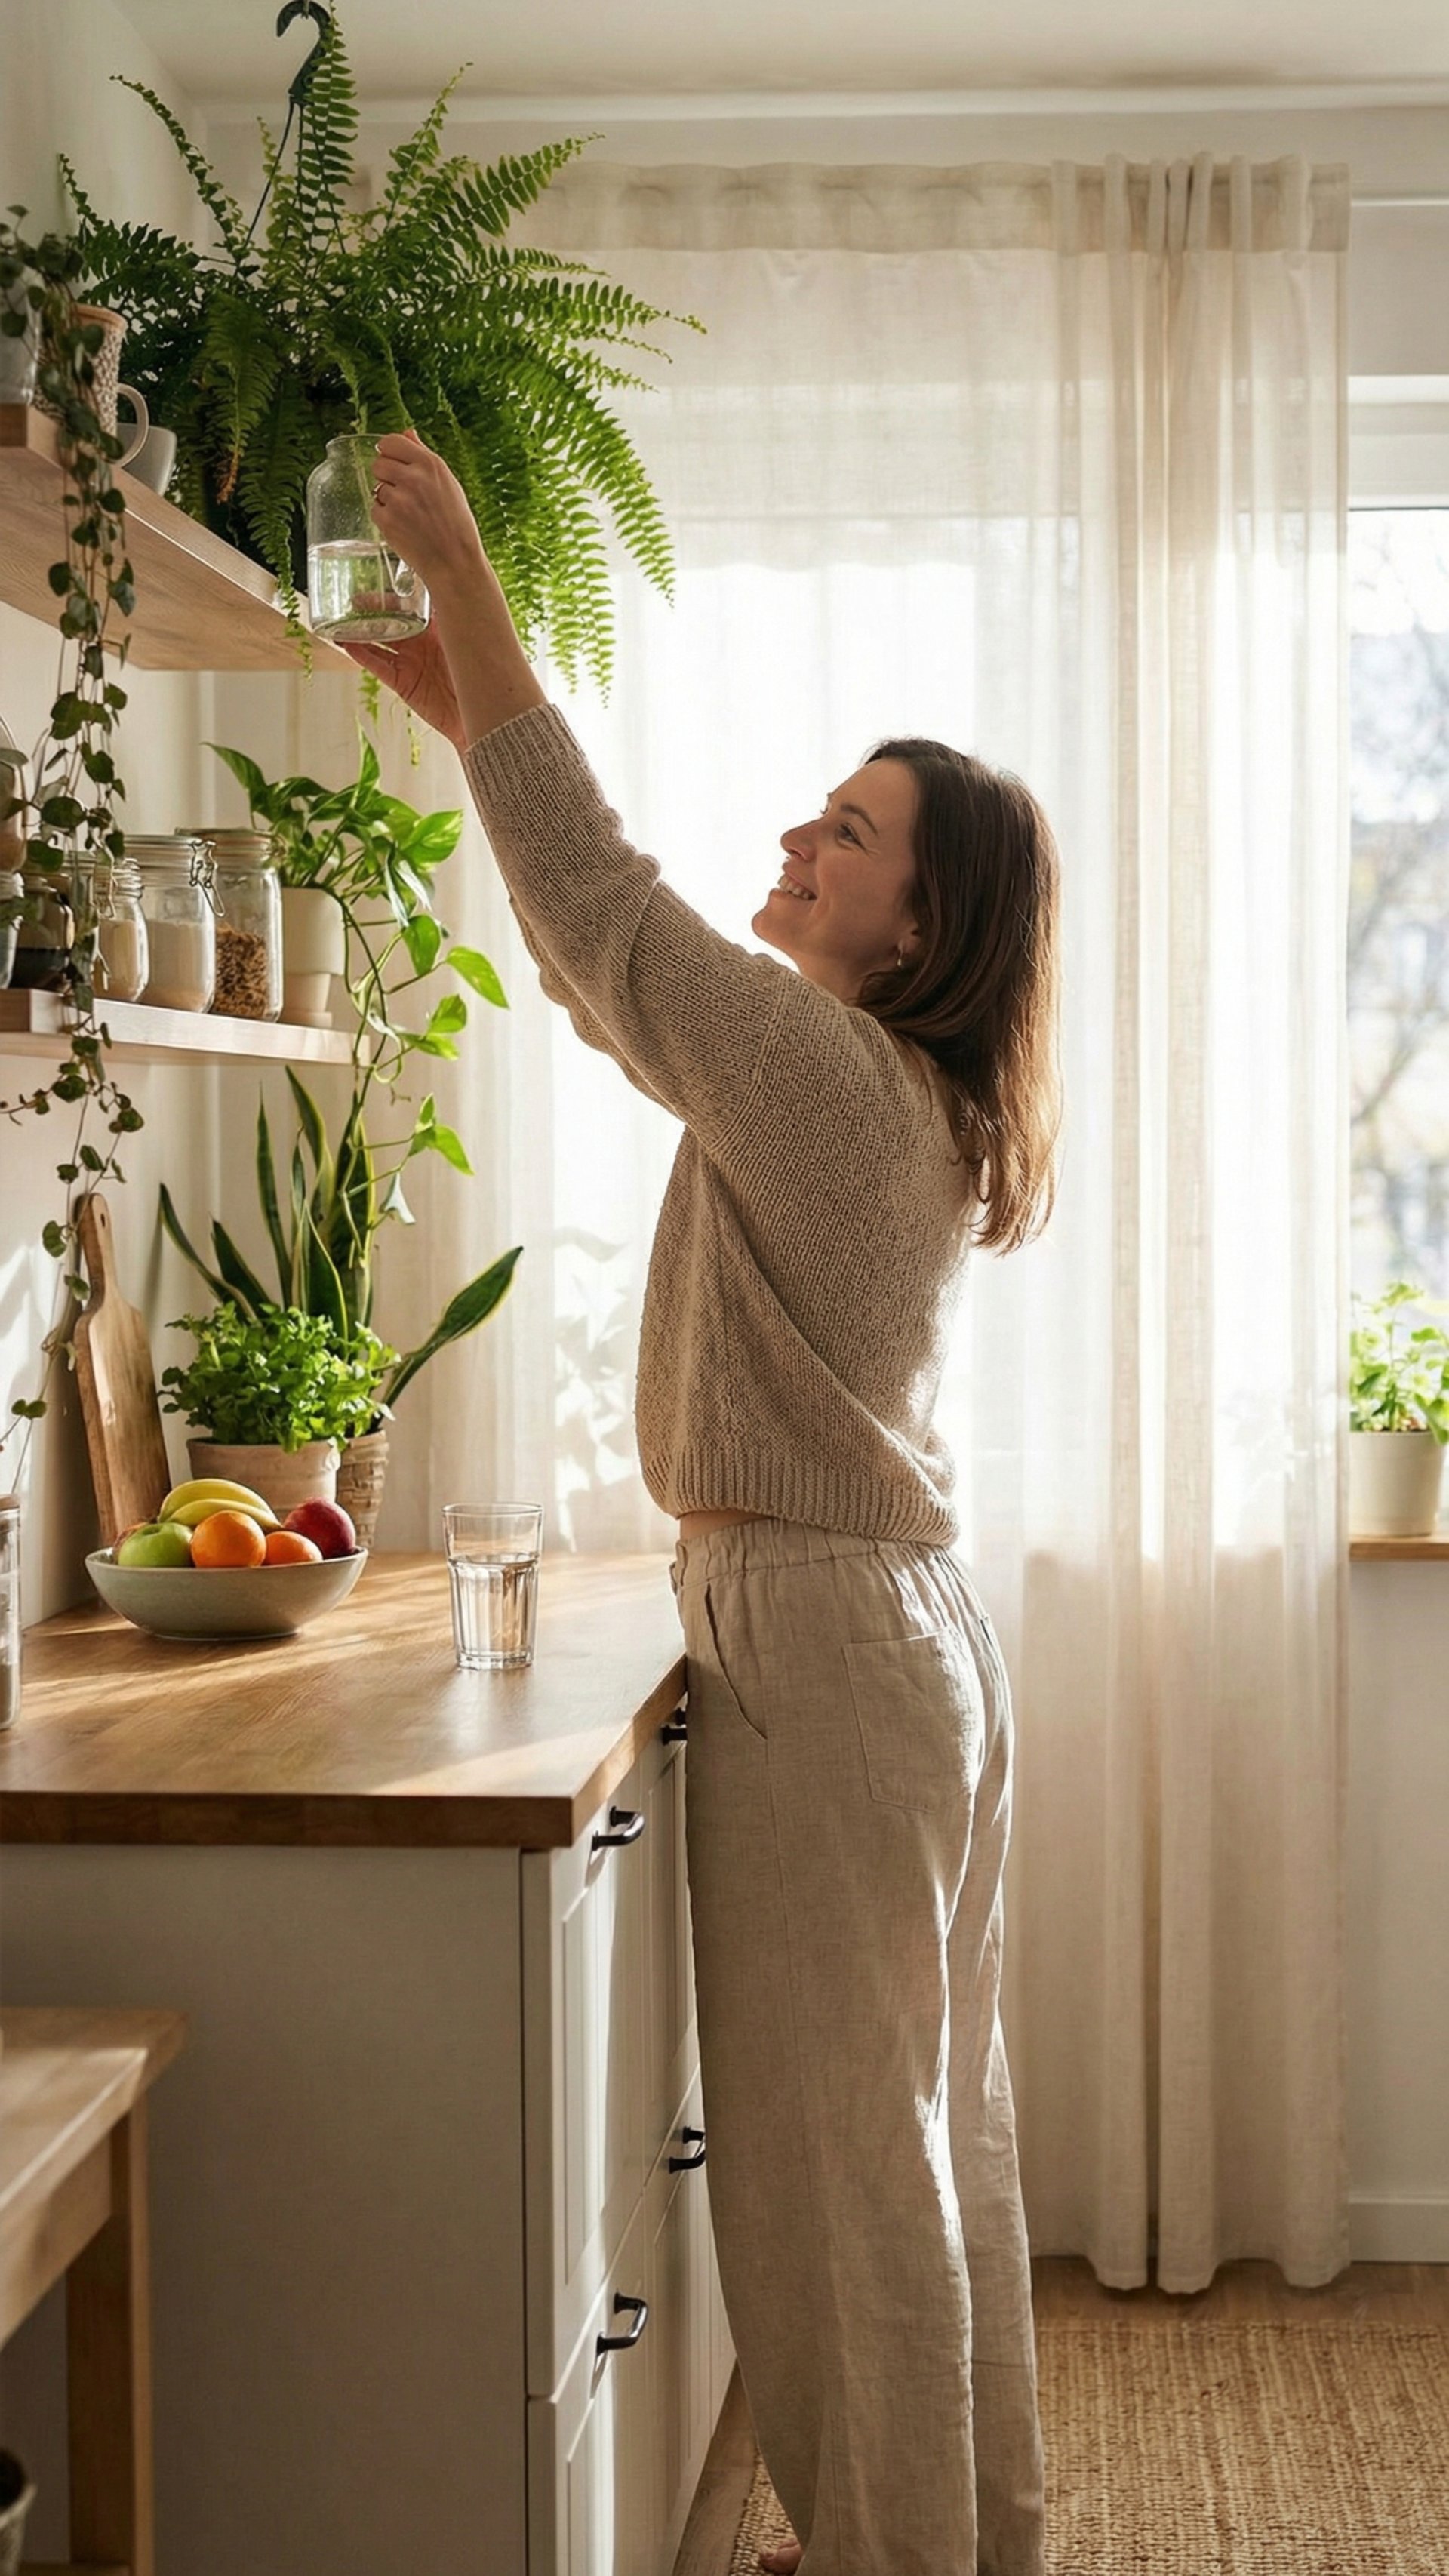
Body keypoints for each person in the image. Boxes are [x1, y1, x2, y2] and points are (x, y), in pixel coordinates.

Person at [346, 429, 1062, 2576]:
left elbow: (608, 919)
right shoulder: (877, 1092)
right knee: (931, 2143)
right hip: (896, 1633)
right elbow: (603, 976)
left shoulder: (834, 1084)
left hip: (837, 1650)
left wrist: (469, 573)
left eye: (844, 835)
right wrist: (458, 700)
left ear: (921, 915)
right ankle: (960, 2543)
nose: (801, 838)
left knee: (845, 2181)